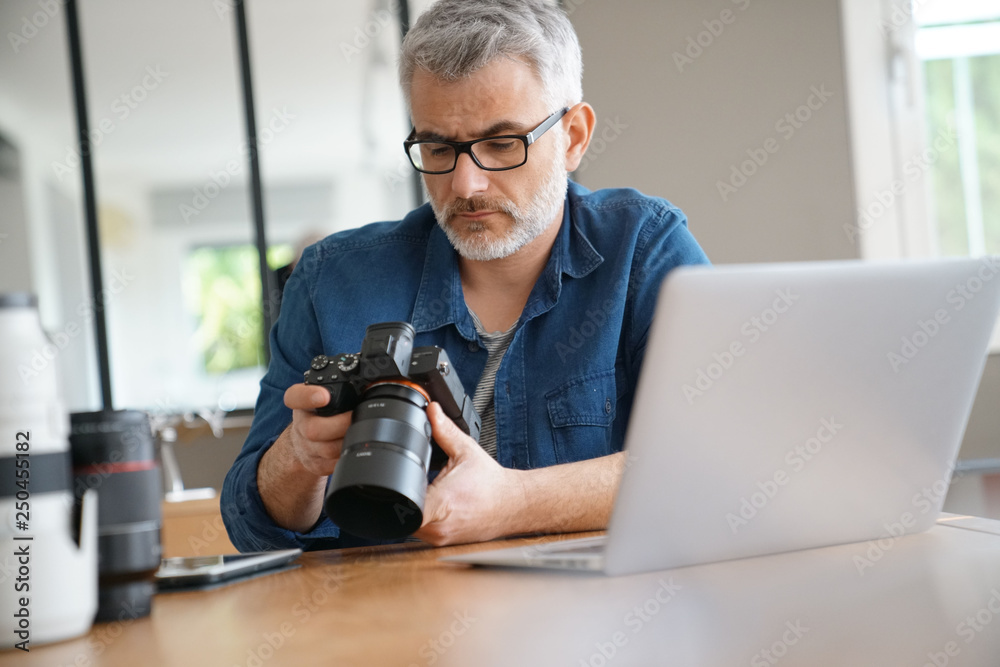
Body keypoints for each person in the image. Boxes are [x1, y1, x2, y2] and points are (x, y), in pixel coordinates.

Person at [222, 0, 709, 552]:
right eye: (438, 147)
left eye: (502, 144)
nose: (465, 185)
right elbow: (252, 524)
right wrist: (300, 458)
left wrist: (514, 502)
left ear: (573, 136)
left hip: (600, 623)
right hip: (386, 629)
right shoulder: (331, 281)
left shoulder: (642, 250)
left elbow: (718, 461)